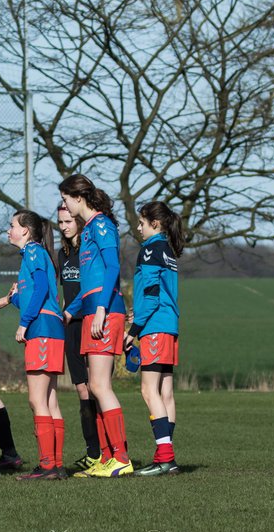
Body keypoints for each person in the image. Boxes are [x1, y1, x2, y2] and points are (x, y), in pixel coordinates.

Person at [60, 174, 133, 477]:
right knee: (93, 387)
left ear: (78, 198)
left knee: (100, 386)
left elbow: (112, 268)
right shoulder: (89, 229)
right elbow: (89, 284)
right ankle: (106, 457)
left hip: (105, 313)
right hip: (91, 312)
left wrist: (102, 309)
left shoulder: (102, 224)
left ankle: (121, 458)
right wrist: (69, 311)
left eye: (65, 199)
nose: (64, 205)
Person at [1, 210, 67, 480]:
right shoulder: (36, 255)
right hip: (52, 328)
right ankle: (57, 465)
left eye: (12, 225)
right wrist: (15, 298)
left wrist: (24, 322)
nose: (8, 230)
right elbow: (36, 294)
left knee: (36, 399)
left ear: (26, 231)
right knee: (50, 399)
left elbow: (40, 290)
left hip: (41, 329)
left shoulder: (33, 252)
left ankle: (47, 464)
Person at [127, 201, 183, 476]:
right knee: (166, 393)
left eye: (141, 223)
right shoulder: (168, 251)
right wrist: (138, 314)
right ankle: (166, 456)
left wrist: (133, 331)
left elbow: (150, 296)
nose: (138, 228)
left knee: (149, 391)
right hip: (169, 325)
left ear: (155, 224)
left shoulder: (150, 250)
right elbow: (159, 293)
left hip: (154, 327)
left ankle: (165, 458)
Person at [57, 203, 102, 471]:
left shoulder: (88, 250)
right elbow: (67, 292)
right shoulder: (61, 255)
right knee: (82, 389)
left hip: (89, 321)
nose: (63, 227)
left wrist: (70, 312)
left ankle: (110, 450)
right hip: (70, 326)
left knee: (96, 387)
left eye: (68, 222)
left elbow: (88, 289)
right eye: (60, 223)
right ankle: (93, 451)